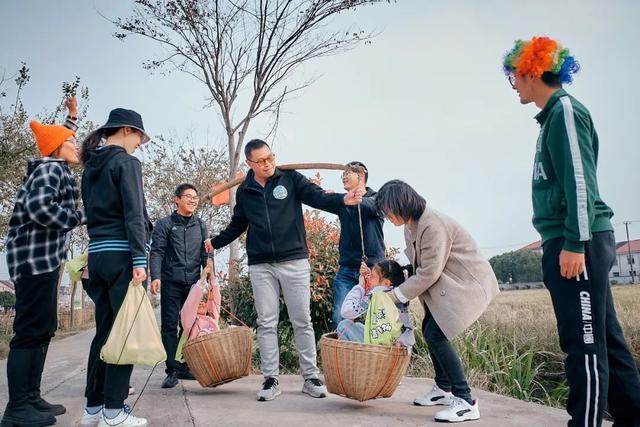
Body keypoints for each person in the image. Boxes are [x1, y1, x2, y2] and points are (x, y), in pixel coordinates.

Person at [503, 36, 640, 426]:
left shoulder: (564, 110)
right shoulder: (552, 117)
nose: (513, 84)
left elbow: (580, 182)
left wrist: (575, 243)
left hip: (577, 241)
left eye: (514, 76)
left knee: (583, 343)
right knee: (606, 339)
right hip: (571, 238)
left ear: (531, 71)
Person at [204, 139, 363, 402]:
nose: (268, 164)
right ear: (250, 164)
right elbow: (238, 225)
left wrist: (343, 200)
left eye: (270, 158)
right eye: (261, 161)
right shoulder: (245, 191)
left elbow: (318, 197)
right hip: (261, 265)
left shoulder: (290, 179)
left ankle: (310, 377)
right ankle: (270, 379)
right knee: (267, 323)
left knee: (302, 320)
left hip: (294, 262)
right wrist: (215, 242)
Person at [376, 179, 499, 423]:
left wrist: (395, 295)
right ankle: (444, 389)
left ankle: (466, 401)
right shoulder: (411, 225)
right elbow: (417, 264)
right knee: (430, 330)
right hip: (445, 287)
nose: (387, 217)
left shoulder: (432, 225)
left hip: (465, 284)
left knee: (436, 335)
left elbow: (429, 271)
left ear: (399, 204)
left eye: (387, 211)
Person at [2, 98, 84, 427]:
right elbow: (40, 208)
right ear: (57, 147)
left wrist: (72, 118)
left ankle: (31, 397)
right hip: (34, 259)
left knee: (43, 329)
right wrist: (79, 216)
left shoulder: (55, 165)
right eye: (72, 141)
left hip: (43, 259)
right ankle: (17, 408)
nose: (76, 145)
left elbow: (58, 138)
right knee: (30, 330)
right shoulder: (51, 169)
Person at [79, 108, 152, 427]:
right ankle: (114, 411)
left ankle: (93, 409)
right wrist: (139, 258)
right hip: (123, 256)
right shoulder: (127, 162)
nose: (140, 144)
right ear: (125, 131)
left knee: (104, 333)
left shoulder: (90, 166)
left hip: (97, 257)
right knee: (125, 334)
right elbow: (134, 212)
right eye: (139, 137)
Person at [149, 183, 208, 389]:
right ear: (177, 199)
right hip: (171, 283)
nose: (193, 200)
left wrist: (208, 280)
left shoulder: (200, 225)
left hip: (193, 284)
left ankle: (185, 366)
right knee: (169, 326)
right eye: (188, 196)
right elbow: (156, 251)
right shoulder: (164, 224)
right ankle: (172, 369)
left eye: (195, 197)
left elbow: (205, 253)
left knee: (189, 326)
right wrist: (155, 277)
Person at [326, 161, 385, 329]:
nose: (343, 177)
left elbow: (374, 207)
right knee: (340, 316)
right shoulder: (343, 202)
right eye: (342, 174)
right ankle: (340, 353)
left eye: (347, 173)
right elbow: (322, 200)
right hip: (346, 269)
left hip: (374, 270)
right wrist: (334, 197)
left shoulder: (377, 198)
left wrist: (356, 199)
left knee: (376, 318)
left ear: (360, 176)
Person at [337, 260, 414, 348]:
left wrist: (360, 286)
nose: (369, 279)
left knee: (344, 325)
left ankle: (357, 360)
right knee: (358, 325)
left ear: (386, 283)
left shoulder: (376, 295)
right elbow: (409, 328)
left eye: (372, 277)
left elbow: (346, 311)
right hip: (392, 347)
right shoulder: (397, 295)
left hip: (376, 349)